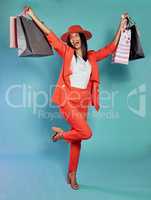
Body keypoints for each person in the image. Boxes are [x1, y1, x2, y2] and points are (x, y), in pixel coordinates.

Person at [25, 6, 128, 190]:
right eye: (71, 37)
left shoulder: (92, 57)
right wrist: (33, 16)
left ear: (82, 38)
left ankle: (72, 174)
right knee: (86, 132)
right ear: (70, 41)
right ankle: (61, 135)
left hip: (83, 102)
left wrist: (121, 25)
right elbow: (51, 35)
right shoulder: (66, 53)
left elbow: (112, 47)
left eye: (77, 36)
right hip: (67, 100)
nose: (74, 39)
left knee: (78, 140)